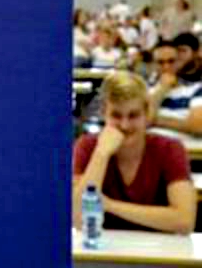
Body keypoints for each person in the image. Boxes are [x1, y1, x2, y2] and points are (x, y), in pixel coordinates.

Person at [73, 72, 195, 233]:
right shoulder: (87, 146)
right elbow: (79, 218)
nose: (125, 125)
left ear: (146, 113)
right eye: (116, 115)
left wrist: (109, 205)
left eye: (133, 115)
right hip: (103, 245)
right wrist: (101, 153)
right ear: (103, 113)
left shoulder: (170, 149)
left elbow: (184, 221)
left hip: (158, 246)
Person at [149, 36, 202, 135]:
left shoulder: (197, 89)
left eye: (171, 61)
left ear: (179, 62)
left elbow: (199, 126)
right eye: (160, 62)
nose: (166, 67)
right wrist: (162, 89)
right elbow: (141, 120)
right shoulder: (146, 89)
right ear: (153, 65)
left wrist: (156, 120)